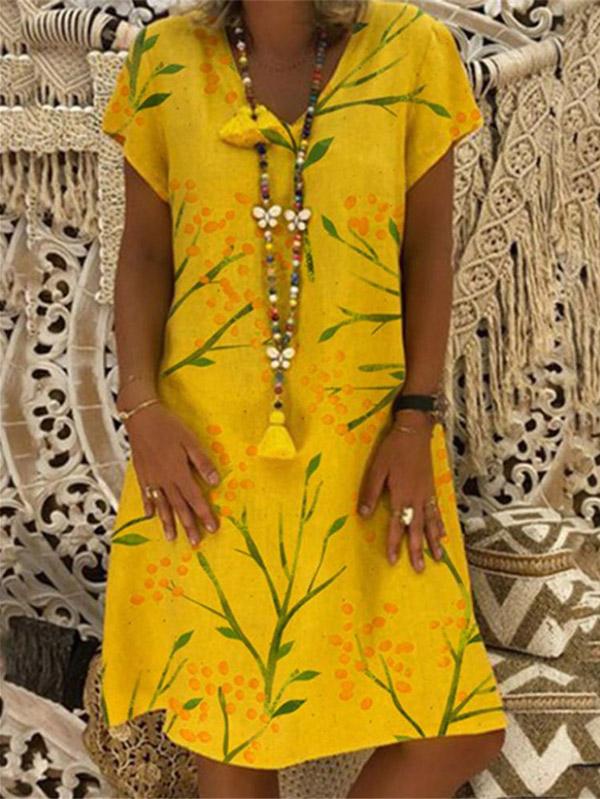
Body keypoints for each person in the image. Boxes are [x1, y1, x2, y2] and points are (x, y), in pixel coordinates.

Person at [100, 0, 508, 796]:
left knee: (458, 730)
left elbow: (429, 251)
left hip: (373, 450)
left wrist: (415, 419)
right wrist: (141, 410)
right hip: (206, 454)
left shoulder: (412, 49)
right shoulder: (165, 58)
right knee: (236, 727)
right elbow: (144, 253)